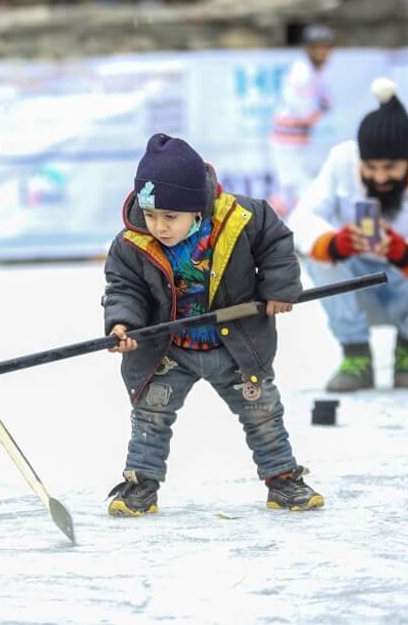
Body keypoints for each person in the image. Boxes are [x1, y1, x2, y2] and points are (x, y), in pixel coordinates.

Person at [102, 132, 323, 515]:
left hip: (235, 346)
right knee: (150, 417)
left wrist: (279, 289)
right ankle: (140, 486)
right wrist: (123, 323)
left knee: (263, 414)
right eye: (151, 214)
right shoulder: (132, 243)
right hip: (170, 351)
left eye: (170, 217)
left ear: (198, 207)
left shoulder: (242, 221)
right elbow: (125, 288)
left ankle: (284, 480)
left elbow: (277, 246)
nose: (159, 226)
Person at [289, 78, 408, 392]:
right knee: (320, 255)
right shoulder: (342, 159)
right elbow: (301, 220)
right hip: (355, 287)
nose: (379, 177)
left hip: (406, 285)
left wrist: (402, 251)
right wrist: (337, 243)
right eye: (371, 167)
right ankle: (356, 356)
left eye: (390, 167)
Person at [267, 23, 334, 217]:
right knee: (293, 186)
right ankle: (267, 230)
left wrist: (321, 107)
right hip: (286, 140)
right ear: (308, 49)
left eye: (326, 47)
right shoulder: (302, 73)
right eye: (317, 47)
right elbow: (306, 114)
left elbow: (326, 103)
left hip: (299, 139)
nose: (322, 52)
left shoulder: (317, 71)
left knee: (295, 187)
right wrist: (321, 108)